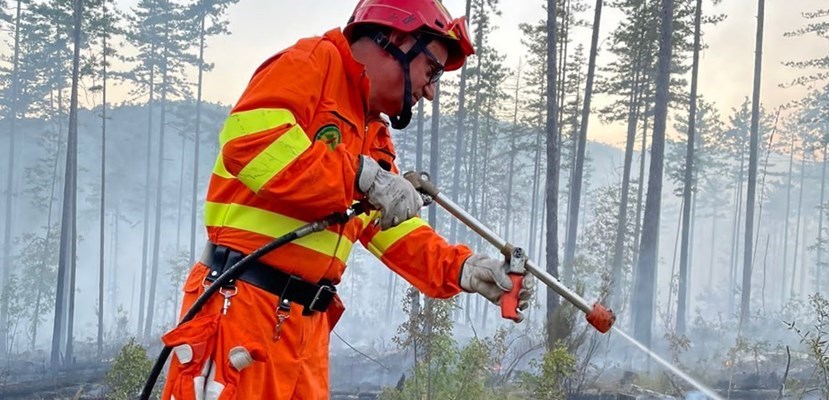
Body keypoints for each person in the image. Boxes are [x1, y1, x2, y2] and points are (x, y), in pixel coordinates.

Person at [160, 1, 534, 399]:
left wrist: (463, 269)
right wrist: (359, 175)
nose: (430, 90)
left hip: (305, 328)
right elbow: (250, 147)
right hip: (241, 308)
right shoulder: (309, 65)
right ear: (396, 39)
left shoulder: (372, 130)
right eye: (432, 70)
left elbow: (386, 227)